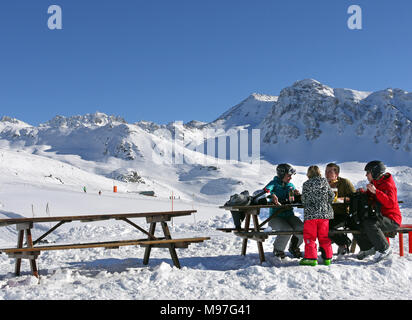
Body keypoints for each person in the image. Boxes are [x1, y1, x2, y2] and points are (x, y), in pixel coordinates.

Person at [353, 161, 402, 262]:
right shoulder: (376, 182)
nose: (366, 175)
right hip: (381, 216)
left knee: (370, 223)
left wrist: (376, 192)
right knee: (359, 222)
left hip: (392, 219)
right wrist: (364, 192)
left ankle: (384, 249)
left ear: (375, 172)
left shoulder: (388, 185)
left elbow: (390, 203)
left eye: (368, 172)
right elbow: (373, 197)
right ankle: (370, 248)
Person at [264, 163, 303, 259]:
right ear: (281, 174)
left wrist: (297, 195)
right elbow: (264, 192)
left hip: (289, 215)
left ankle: (294, 247)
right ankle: (278, 249)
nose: (290, 178)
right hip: (275, 217)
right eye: (288, 175)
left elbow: (294, 196)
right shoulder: (273, 184)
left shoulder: (290, 185)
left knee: (302, 228)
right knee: (287, 230)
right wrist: (270, 196)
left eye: (291, 175)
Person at [300, 165, 334, 266]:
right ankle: (328, 258)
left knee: (310, 237)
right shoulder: (324, 182)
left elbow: (304, 200)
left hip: (311, 215)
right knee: (324, 236)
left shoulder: (306, 184)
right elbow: (331, 196)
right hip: (324, 215)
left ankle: (311, 258)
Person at [325, 163, 356, 255]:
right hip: (327, 214)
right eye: (326, 171)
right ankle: (328, 245)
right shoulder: (323, 184)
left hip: (342, 214)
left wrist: (343, 199)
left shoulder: (345, 182)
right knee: (317, 224)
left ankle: (343, 243)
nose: (327, 174)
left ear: (336, 174)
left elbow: (354, 198)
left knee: (327, 227)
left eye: (330, 171)